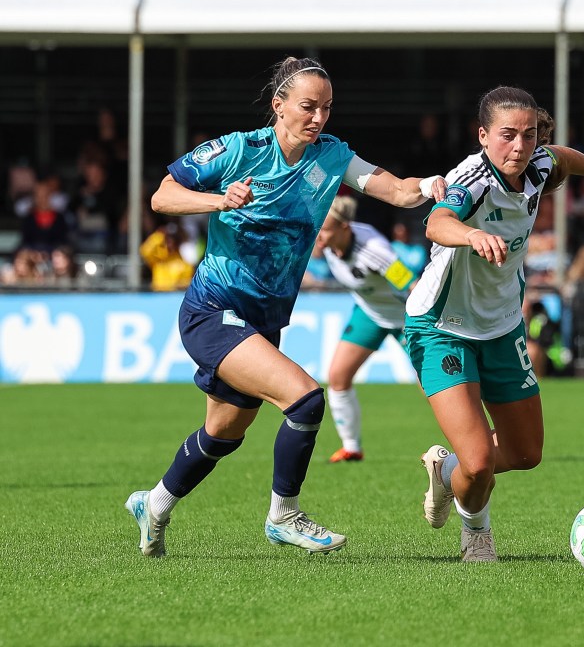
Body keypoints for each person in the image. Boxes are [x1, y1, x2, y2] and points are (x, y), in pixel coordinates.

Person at [123, 57, 446, 558]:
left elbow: (400, 191)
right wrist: (219, 201)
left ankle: (154, 505)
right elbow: (163, 197)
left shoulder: (333, 156)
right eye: (308, 106)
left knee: (223, 434)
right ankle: (284, 515)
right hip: (213, 308)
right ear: (279, 106)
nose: (318, 118)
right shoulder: (238, 149)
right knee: (306, 399)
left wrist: (432, 186)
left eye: (327, 108)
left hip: (265, 320)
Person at [406, 87, 584, 562]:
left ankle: (445, 472)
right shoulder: (472, 179)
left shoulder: (537, 164)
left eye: (528, 135)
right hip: (442, 326)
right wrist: (471, 234)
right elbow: (437, 222)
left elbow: (562, 158)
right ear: (484, 135)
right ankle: (477, 533)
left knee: (527, 454)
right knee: (481, 460)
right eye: (507, 135)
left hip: (503, 326)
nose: (519, 146)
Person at [313, 194, 419, 463]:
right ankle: (351, 447)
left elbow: (410, 283)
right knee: (337, 377)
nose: (318, 236)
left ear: (344, 228)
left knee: (432, 388)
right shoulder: (325, 243)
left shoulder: (374, 251)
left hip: (406, 317)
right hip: (369, 313)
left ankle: (469, 444)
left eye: (323, 230)